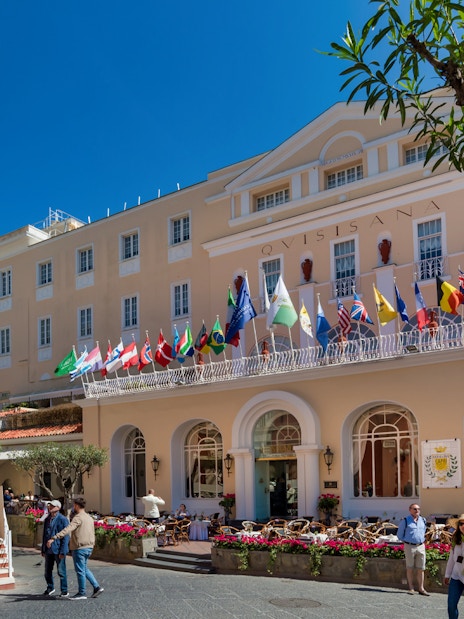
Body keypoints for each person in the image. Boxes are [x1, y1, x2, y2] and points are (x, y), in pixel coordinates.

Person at [47, 497, 104, 600]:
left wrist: (54, 537)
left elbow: (68, 529)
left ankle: (82, 592)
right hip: (89, 547)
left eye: (74, 505)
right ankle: (96, 587)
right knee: (84, 568)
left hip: (80, 547)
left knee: (80, 570)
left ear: (77, 506)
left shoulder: (78, 518)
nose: (73, 507)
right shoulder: (89, 517)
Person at [397, 503, 430, 596]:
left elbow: (424, 532)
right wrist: (407, 541)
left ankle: (421, 588)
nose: (417, 511)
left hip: (421, 546)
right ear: (410, 510)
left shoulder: (423, 520)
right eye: (415, 509)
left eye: (418, 509)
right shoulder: (405, 521)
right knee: (410, 568)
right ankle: (411, 588)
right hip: (409, 546)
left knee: (421, 568)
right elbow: (399, 535)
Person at [41, 499, 70, 597]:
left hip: (58, 549)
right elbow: (45, 535)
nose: (50, 507)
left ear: (58, 508)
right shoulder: (47, 519)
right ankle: (50, 587)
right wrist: (43, 549)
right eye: (50, 506)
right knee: (47, 571)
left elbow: (65, 536)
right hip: (49, 549)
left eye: (52, 506)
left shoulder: (63, 519)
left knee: (61, 571)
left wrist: (63, 551)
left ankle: (64, 590)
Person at [444, 513, 464, 618]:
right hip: (457, 577)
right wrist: (447, 575)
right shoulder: (456, 539)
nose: (463, 526)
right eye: (461, 523)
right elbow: (452, 559)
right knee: (451, 605)